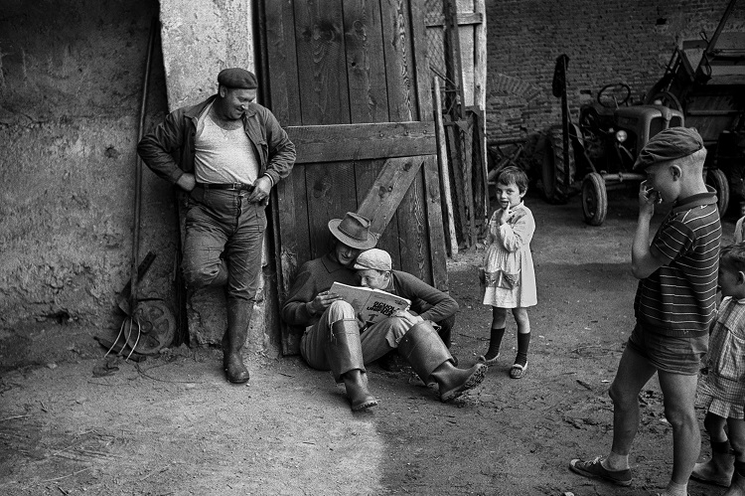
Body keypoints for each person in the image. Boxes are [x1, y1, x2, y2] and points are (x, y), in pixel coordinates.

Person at [568, 126, 721, 496]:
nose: (649, 185)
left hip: (678, 334)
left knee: (680, 416)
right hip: (655, 323)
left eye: (652, 177)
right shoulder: (703, 204)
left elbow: (640, 265)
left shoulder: (687, 220)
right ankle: (617, 465)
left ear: (676, 173)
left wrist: (644, 214)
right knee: (621, 392)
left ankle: (677, 490)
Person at [137, 68, 296, 384]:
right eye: (241, 99)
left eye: (251, 100)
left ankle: (233, 354)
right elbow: (149, 145)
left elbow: (286, 150)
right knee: (196, 271)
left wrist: (268, 178)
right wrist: (180, 177)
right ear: (222, 91)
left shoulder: (260, 117)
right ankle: (242, 283)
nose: (246, 106)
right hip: (207, 210)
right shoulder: (190, 118)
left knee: (243, 288)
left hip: (251, 209)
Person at [280, 212, 487, 411]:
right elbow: (287, 312)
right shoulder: (313, 269)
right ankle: (356, 387)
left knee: (402, 319)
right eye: (345, 245)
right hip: (319, 348)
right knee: (340, 306)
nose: (349, 253)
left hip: (354, 349)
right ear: (335, 240)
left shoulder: (360, 270)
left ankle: (447, 377)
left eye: (355, 248)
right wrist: (311, 307)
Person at [691, 243, 745, 495]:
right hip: (720, 385)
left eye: (720, 273)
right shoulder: (729, 300)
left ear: (740, 278)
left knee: (740, 441)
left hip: (739, 395)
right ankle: (720, 468)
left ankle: (740, 484)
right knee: (712, 424)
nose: (716, 278)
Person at [477, 166, 536, 379]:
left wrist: (503, 224)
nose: (503, 196)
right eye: (499, 190)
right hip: (497, 270)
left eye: (509, 191)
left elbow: (513, 244)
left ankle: (522, 357)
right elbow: (490, 242)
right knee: (498, 312)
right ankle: (493, 352)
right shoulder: (495, 214)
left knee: (519, 313)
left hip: (516, 271)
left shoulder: (525, 216)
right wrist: (485, 266)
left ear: (522, 192)